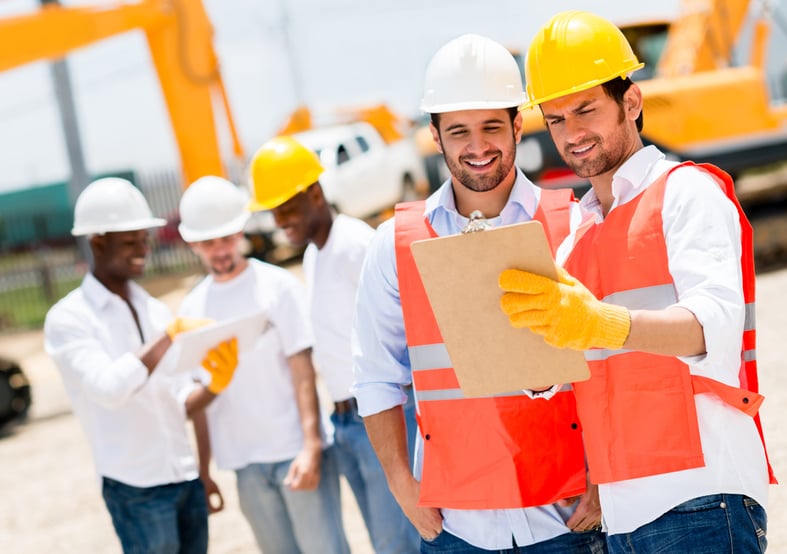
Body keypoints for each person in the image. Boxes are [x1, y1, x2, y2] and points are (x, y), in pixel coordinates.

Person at [498, 11, 776, 553]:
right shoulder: (577, 231)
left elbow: (711, 327)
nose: (571, 134)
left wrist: (598, 322)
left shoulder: (685, 192)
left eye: (586, 110)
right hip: (622, 513)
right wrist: (530, 361)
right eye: (555, 119)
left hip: (699, 498)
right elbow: (575, 362)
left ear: (631, 102)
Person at [351, 34, 607, 553]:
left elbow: (610, 364)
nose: (478, 145)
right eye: (459, 131)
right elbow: (376, 376)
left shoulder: (574, 224)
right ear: (435, 136)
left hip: (565, 521)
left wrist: (605, 478)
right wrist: (404, 487)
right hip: (456, 527)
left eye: (492, 126)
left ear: (517, 125)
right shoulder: (395, 245)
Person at [44, 177, 238, 554]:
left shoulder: (154, 309)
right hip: (137, 489)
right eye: (131, 241)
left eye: (144, 239)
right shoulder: (69, 319)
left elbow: (179, 403)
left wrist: (216, 384)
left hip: (183, 479)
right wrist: (168, 337)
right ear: (97, 241)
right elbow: (109, 389)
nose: (143, 250)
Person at [247, 136, 421, 553]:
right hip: (346, 423)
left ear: (316, 194)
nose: (279, 220)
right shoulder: (314, 253)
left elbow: (406, 327)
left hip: (383, 416)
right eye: (273, 211)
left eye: (287, 207)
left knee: (400, 543)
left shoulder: (355, 244)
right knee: (386, 543)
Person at [176, 175, 350, 554]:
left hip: (293, 450)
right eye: (208, 243)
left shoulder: (277, 286)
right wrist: (204, 471)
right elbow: (199, 401)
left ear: (240, 232)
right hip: (244, 462)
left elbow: (302, 370)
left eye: (226, 239)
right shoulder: (191, 309)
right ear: (193, 244)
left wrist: (311, 446)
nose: (219, 250)